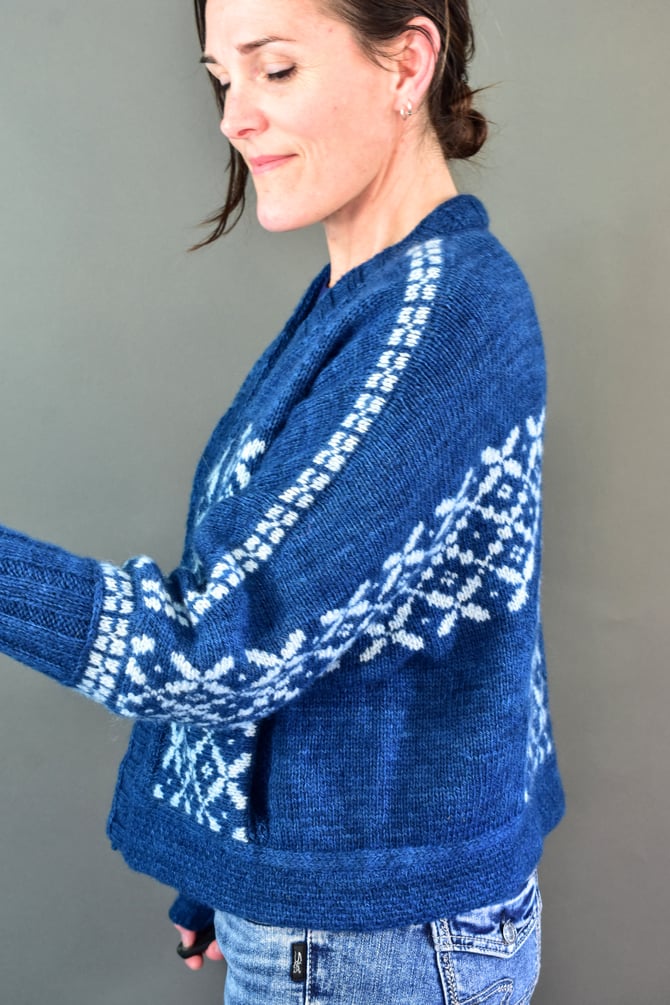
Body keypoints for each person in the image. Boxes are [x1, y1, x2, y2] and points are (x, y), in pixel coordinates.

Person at [0, 0, 565, 1001]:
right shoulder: (375, 298)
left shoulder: (434, 319)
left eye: (275, 69)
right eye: (223, 78)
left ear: (407, 63)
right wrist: (229, 862)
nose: (234, 117)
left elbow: (215, 644)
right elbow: (318, 612)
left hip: (370, 944)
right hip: (346, 919)